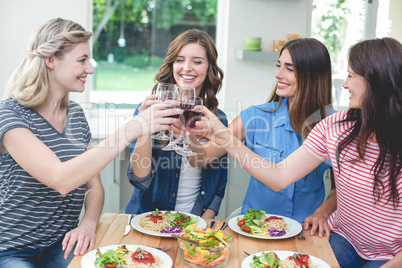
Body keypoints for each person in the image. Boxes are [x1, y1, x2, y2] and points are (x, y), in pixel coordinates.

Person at [197, 37, 402, 267]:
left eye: (351, 76)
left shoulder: (327, 121)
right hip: (340, 239)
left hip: (368, 248)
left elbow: (336, 189)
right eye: (279, 65)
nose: (344, 84)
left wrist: (322, 212)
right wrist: (213, 137)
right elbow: (279, 176)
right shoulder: (334, 127)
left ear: (377, 82)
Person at [0, 18, 180, 267]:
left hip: (62, 245)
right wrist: (134, 127)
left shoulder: (75, 114)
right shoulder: (10, 114)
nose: (90, 69)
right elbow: (61, 179)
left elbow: (94, 187)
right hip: (11, 250)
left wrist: (88, 223)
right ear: (51, 60)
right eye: (82, 60)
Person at [189, 38, 335, 223]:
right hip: (254, 228)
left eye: (289, 69)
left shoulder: (334, 126)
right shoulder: (254, 117)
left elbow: (341, 188)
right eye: (279, 65)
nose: (278, 74)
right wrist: (188, 135)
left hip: (305, 229)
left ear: (312, 75)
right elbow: (200, 158)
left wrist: (321, 212)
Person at [125, 29, 228, 219]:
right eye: (180, 60)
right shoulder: (148, 111)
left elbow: (219, 182)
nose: (187, 68)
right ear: (172, 64)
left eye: (197, 61)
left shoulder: (217, 119)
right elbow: (139, 178)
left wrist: (203, 224)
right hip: (150, 220)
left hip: (194, 220)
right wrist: (143, 125)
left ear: (209, 68)